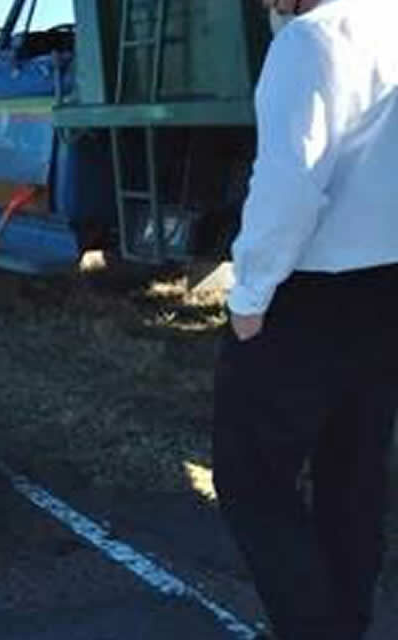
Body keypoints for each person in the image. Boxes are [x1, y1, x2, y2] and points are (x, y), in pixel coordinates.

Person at [214, 1, 398, 638]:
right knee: (354, 476)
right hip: (387, 289)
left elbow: (289, 185)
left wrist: (249, 297)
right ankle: (345, 623)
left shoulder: (308, 40)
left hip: (310, 297)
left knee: (248, 475)